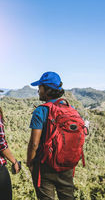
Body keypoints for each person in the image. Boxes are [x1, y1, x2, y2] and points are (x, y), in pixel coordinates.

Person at [27, 72, 76, 200]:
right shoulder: (70, 109)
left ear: (48, 90)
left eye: (40, 87)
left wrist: (30, 163)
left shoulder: (41, 110)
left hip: (45, 167)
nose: (38, 90)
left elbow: (34, 144)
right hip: (66, 167)